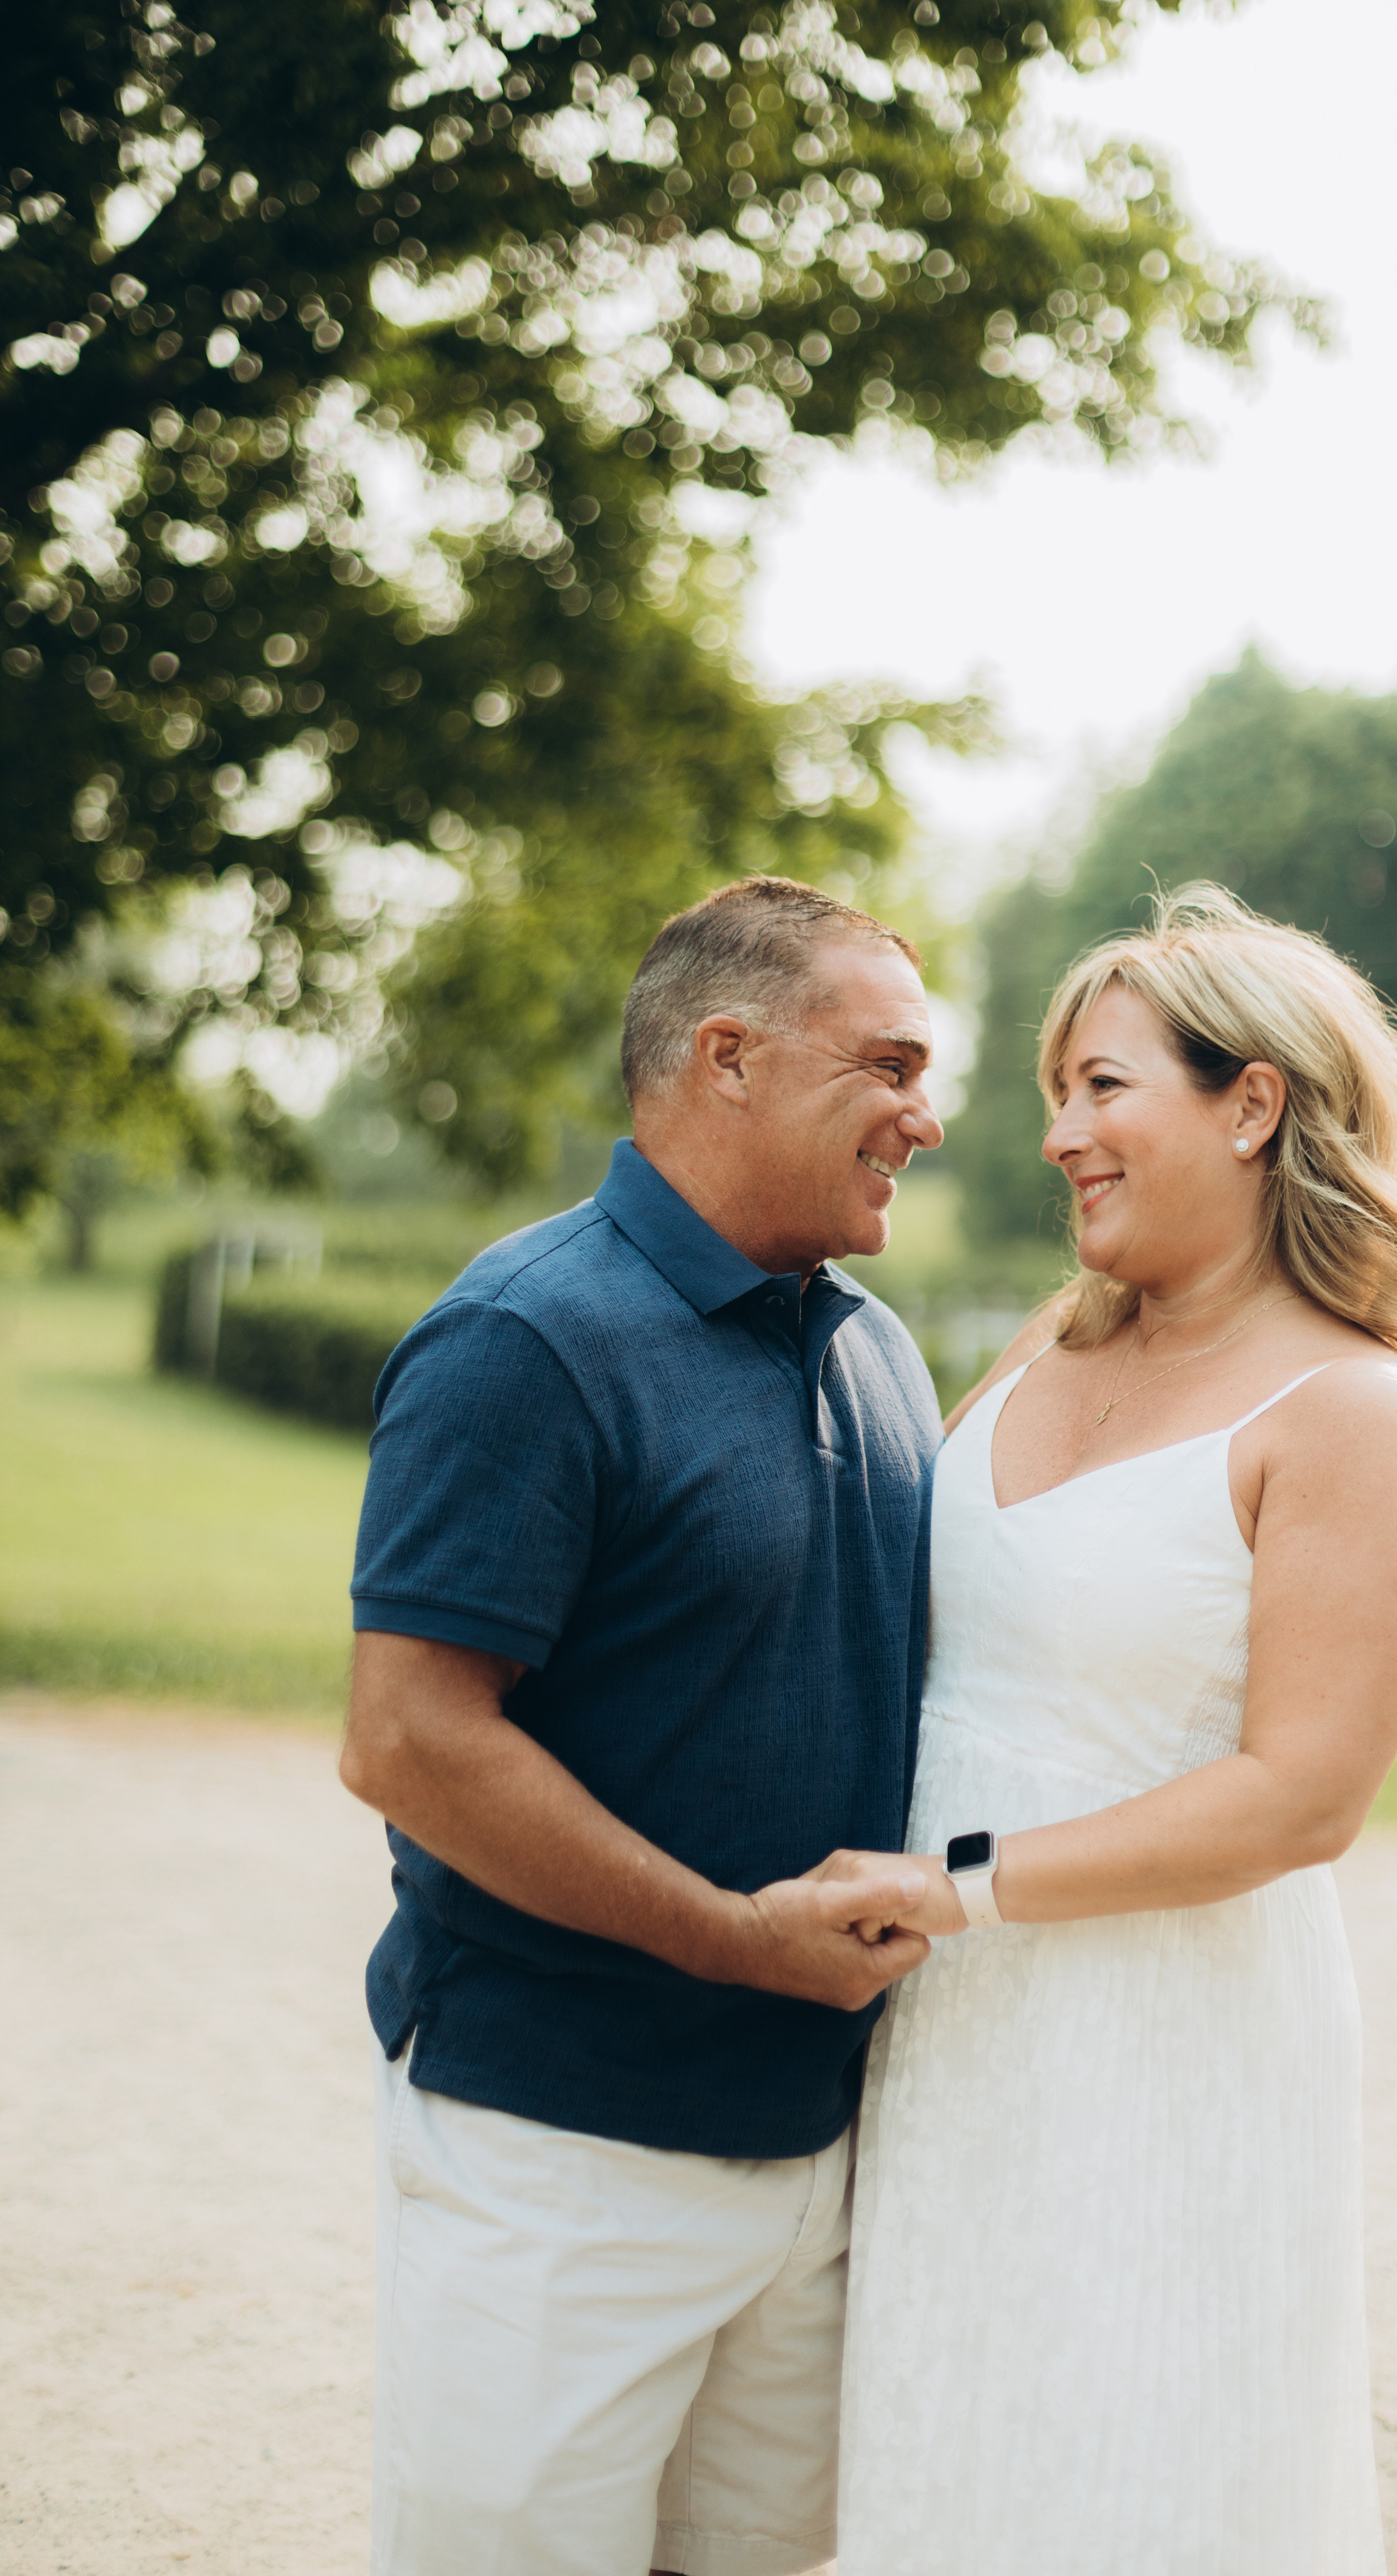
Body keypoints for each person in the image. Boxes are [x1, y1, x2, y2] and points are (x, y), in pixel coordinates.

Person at [832, 885, 1397, 2576]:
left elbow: (1297, 1799)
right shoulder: (1049, 1339)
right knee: (946, 2443)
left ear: (1250, 1102)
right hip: (945, 2024)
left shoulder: (1349, 1411)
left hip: (1160, 2039)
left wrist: (954, 1888)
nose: (1058, 1136)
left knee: (1132, 2463)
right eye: (1057, 1093)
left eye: (1100, 1087)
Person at [339, 877, 944, 2576]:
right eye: (887, 1064)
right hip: (558, 2153)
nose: (931, 1113)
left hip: (813, 2153)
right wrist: (738, 1941)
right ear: (728, 1056)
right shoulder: (524, 1338)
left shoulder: (878, 1350)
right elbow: (408, 1743)